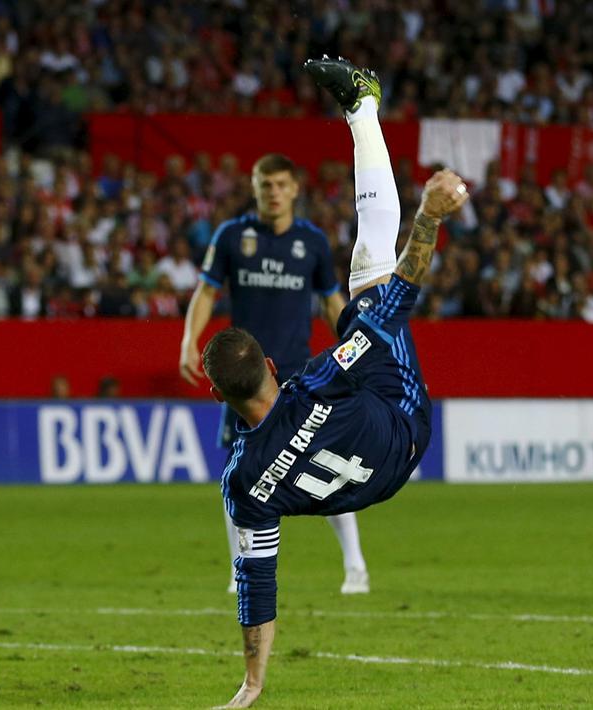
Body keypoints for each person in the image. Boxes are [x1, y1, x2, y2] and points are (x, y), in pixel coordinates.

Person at [208, 57, 470, 708]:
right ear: (271, 367)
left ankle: (362, 109)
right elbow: (401, 294)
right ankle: (362, 109)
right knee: (374, 278)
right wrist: (431, 215)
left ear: (217, 395)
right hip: (402, 418)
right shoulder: (315, 380)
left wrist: (251, 683)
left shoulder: (241, 481)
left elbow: (256, 585)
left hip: (383, 472)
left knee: (362, 286)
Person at [179, 134, 367, 596]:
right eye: (266, 185)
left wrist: (355, 344)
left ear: (295, 189)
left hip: (297, 375)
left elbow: (330, 303)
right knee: (237, 469)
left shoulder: (312, 243)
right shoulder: (231, 237)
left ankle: (355, 566)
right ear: (255, 187)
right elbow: (206, 292)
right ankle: (239, 566)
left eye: (281, 184)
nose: (274, 192)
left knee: (325, 463)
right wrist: (189, 339)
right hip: (245, 378)